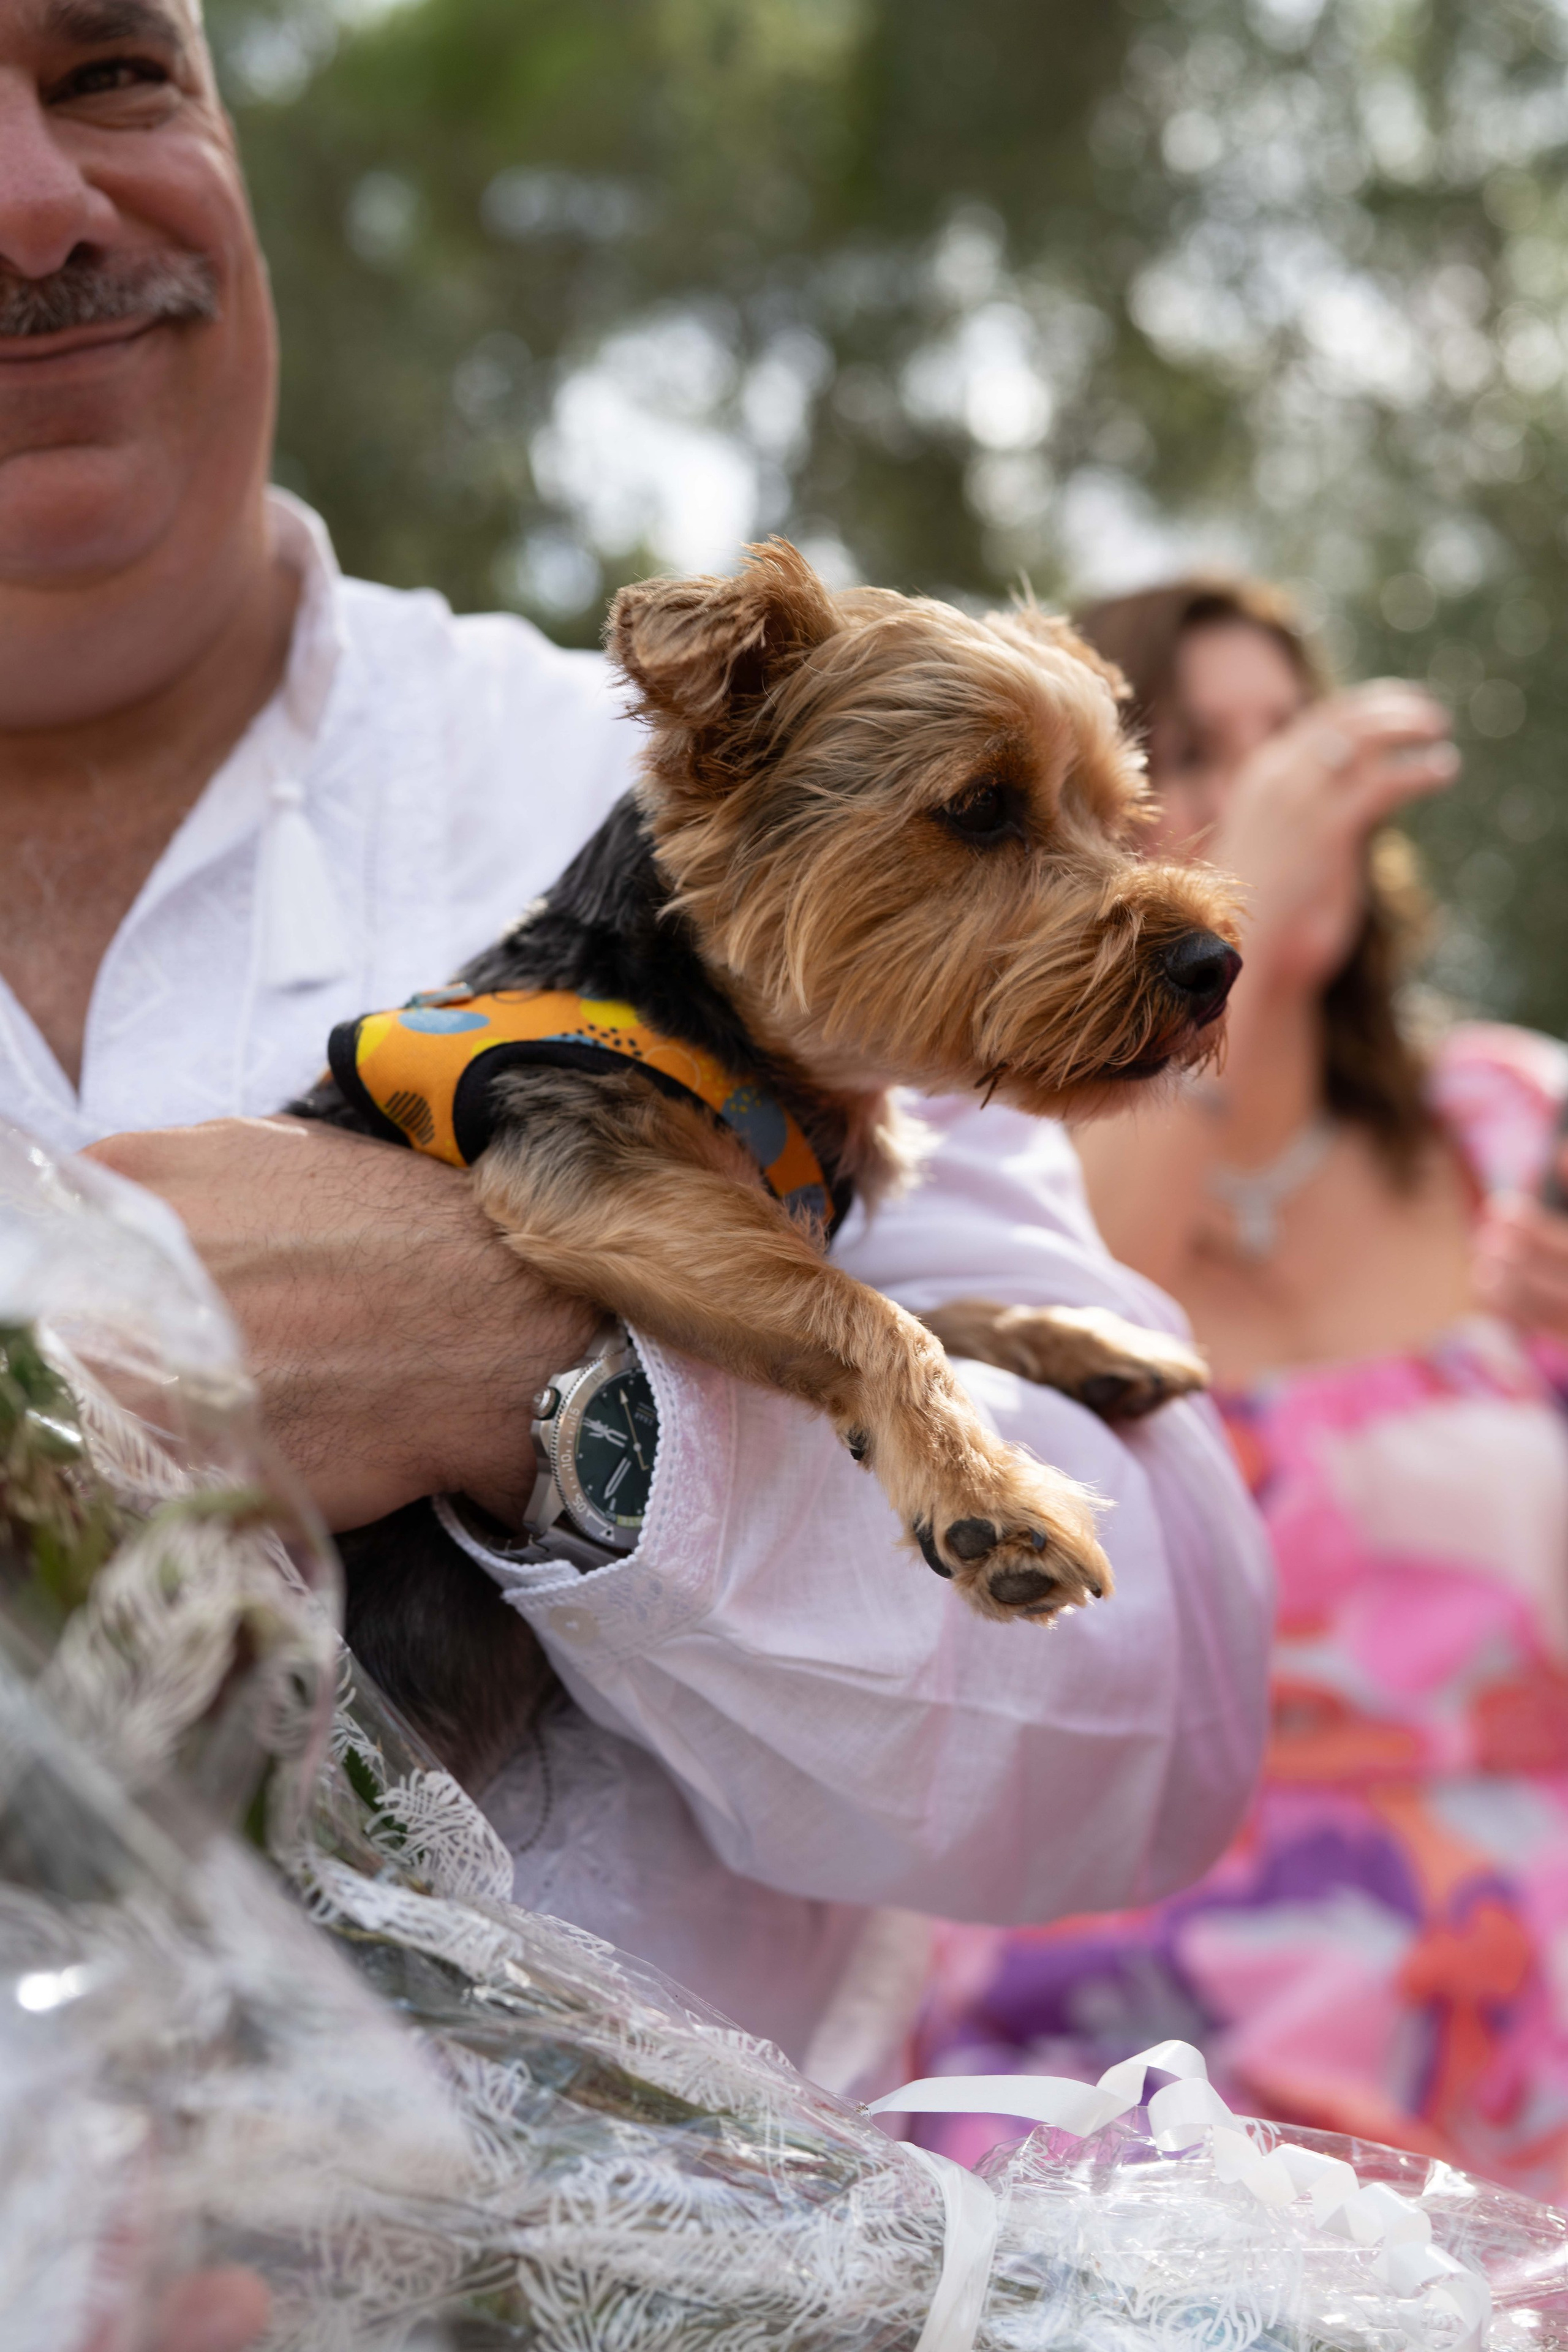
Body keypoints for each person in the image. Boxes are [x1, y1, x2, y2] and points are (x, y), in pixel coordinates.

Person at [0, 0, 1271, 2087]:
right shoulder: (733, 836)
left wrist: (533, 1372)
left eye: (113, 71)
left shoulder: (621, 812)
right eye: (989, 823)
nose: (41, 198)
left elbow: (1166, 1719)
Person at [910, 575, 1568, 2199]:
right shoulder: (992, 1175)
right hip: (1134, 2053)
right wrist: (1231, 950)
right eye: (1198, 755)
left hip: (1521, 2016)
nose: (1278, 787)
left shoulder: (1509, 1130)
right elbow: (1063, 1364)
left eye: (1292, 735)